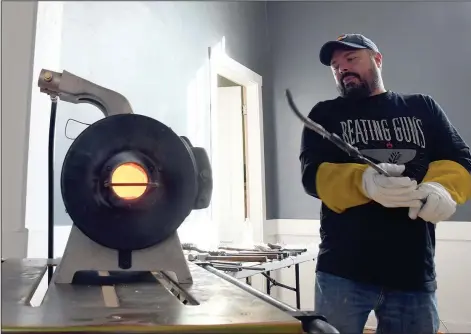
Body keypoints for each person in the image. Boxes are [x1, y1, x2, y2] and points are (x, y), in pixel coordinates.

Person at [299, 33, 471, 334]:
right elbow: (311, 176)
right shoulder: (323, 114)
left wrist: (441, 189)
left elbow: (461, 158)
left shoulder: (422, 107)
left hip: (412, 269)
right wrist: (363, 182)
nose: (342, 69)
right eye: (336, 66)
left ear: (377, 60)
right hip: (342, 270)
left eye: (351, 59)